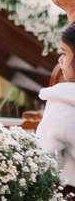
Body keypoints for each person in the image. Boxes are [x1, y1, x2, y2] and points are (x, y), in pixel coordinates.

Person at [36, 22, 75, 191]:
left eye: (64, 53)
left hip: (69, 196)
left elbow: (46, 155)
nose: (60, 60)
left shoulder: (63, 100)